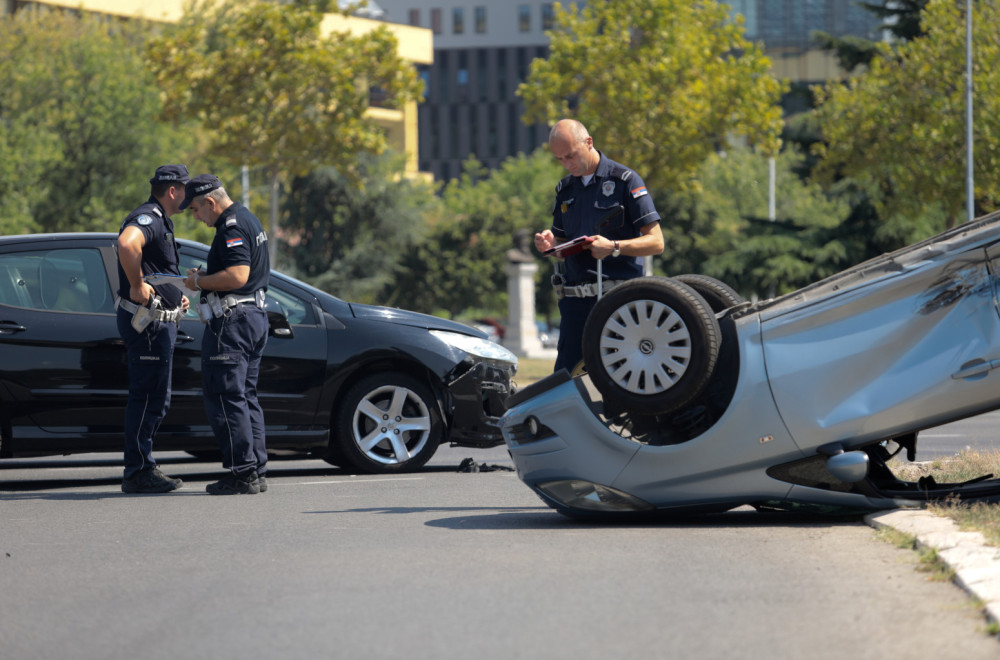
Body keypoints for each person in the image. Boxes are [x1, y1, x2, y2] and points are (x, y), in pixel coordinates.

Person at [534, 119, 665, 373]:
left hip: (616, 302)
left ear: (589, 142)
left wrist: (614, 246)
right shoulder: (565, 188)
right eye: (559, 159)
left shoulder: (625, 180)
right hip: (574, 305)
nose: (567, 164)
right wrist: (551, 243)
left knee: (620, 379)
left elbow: (657, 242)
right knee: (565, 381)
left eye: (570, 155)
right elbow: (561, 243)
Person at [180, 175, 271, 495]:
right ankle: (255, 470)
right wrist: (205, 276)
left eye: (194, 209)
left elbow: (237, 275)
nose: (195, 216)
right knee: (245, 396)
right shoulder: (248, 218)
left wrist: (197, 283)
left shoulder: (230, 226)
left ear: (210, 202)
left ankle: (243, 473)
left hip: (233, 322)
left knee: (226, 397)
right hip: (253, 317)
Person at [117, 164, 191, 494]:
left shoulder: (162, 220)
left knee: (155, 398)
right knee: (148, 398)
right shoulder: (148, 217)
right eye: (185, 189)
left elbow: (158, 270)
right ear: (173, 190)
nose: (189, 196)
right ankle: (138, 471)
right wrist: (136, 285)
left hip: (159, 322)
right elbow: (127, 245)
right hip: (148, 326)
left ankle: (143, 465)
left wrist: (178, 299)